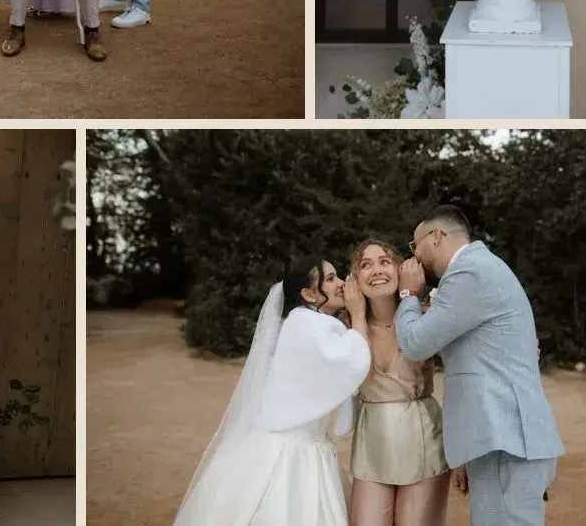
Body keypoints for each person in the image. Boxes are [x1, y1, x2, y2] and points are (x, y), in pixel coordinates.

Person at [395, 207, 564, 526]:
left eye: (414, 245)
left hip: (509, 441)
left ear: (435, 237)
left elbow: (416, 343)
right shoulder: (480, 268)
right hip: (499, 440)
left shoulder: (469, 272)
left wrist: (407, 295)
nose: (414, 256)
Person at [173, 258, 372, 526]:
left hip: (291, 442)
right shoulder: (311, 325)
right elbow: (353, 360)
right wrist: (359, 316)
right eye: (330, 279)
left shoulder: (301, 323)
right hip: (294, 453)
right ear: (308, 294)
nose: (341, 284)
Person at [347, 240, 452, 525]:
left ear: (400, 269)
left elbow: (470, 352)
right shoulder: (347, 326)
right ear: (355, 280)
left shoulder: (426, 315)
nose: (376, 270)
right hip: (372, 445)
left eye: (384, 261)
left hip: (424, 440)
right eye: (365, 265)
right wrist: (357, 314)